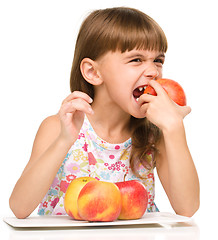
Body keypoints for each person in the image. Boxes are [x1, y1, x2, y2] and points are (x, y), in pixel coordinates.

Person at [9, 7, 200, 219]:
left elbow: (187, 208)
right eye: (136, 59)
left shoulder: (154, 134)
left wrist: (174, 128)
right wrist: (64, 140)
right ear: (93, 72)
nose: (153, 72)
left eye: (158, 60)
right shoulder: (58, 128)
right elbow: (19, 207)